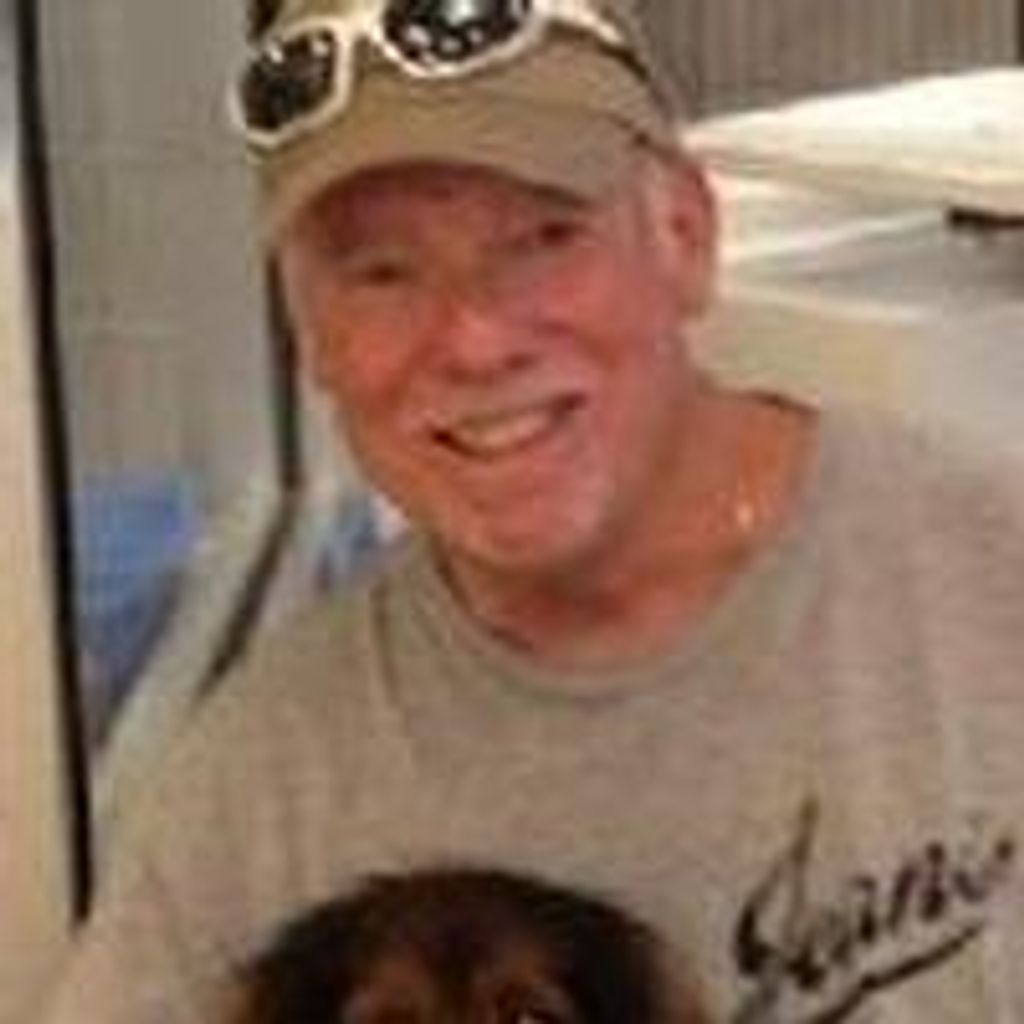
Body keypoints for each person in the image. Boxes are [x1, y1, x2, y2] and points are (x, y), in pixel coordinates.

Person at [45, 0, 1024, 1022]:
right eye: (382, 272)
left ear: (686, 235)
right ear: (310, 336)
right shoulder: (255, 806)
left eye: (540, 239)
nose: (474, 340)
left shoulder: (989, 586)